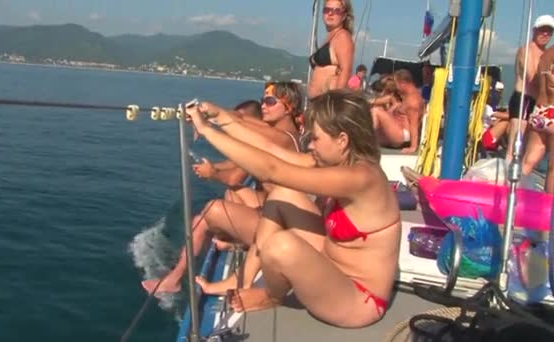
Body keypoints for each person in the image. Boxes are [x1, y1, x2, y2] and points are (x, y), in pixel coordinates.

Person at [188, 89, 401, 328]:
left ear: (342, 140)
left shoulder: (361, 177)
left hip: (359, 300)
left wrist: (206, 131)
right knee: (282, 195)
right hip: (332, 266)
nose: (309, 144)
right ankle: (245, 282)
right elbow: (274, 153)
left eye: (316, 138)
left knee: (280, 246)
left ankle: (271, 296)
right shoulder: (343, 160)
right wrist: (219, 118)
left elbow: (272, 170)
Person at [141, 83, 303, 294]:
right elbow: (242, 133)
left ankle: (174, 279)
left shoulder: (283, 138)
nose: (264, 106)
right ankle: (236, 244)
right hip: (276, 213)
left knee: (210, 212)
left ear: (288, 107)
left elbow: (242, 123)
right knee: (233, 192)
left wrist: (208, 119)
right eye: (263, 100)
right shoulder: (279, 134)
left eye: (271, 102)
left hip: (281, 227)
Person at [505, 15, 554, 161]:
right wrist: (549, 77)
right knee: (515, 145)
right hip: (523, 100)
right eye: (542, 30)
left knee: (526, 146)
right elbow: (532, 77)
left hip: (535, 103)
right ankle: (508, 179)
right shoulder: (527, 50)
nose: (545, 34)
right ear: (534, 30)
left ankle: (520, 177)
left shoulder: (545, 54)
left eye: (549, 31)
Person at [522, 44, 554, 194]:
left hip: (540, 110)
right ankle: (551, 209)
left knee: (528, 161)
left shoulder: (546, 55)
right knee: (552, 168)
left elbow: (538, 82)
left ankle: (512, 197)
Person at [307, 0, 355, 99]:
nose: (330, 13)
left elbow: (345, 70)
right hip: (318, 102)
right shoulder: (331, 37)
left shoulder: (342, 36)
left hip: (328, 103)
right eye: (326, 9)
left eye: (336, 11)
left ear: (344, 16)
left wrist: (335, 101)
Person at [371, 69, 424, 153]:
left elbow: (414, 125)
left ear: (403, 83)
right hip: (397, 133)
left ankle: (367, 138)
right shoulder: (407, 96)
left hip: (403, 136)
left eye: (396, 84)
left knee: (376, 111)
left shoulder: (413, 101)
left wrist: (413, 147)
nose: (395, 86)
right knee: (378, 109)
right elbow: (389, 98)